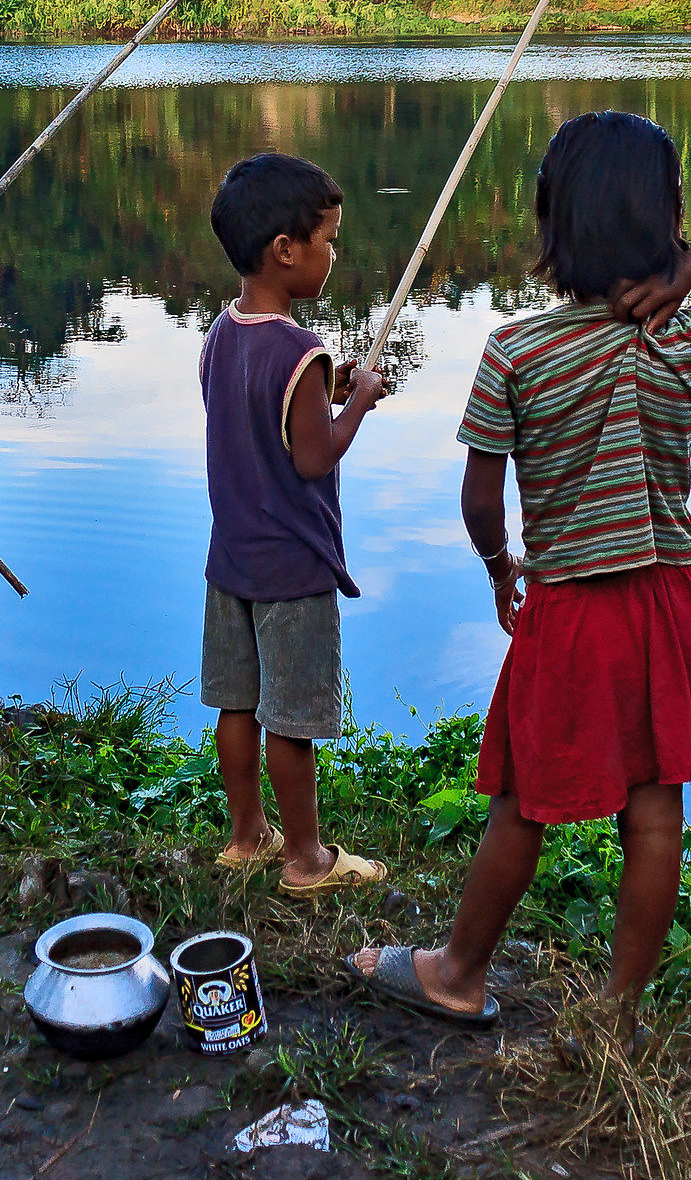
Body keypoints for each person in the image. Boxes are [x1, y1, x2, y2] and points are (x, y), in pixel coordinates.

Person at [349, 110, 691, 1031]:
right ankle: (618, 1016)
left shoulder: (516, 350)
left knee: (522, 803)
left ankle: (458, 973)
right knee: (655, 812)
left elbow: (480, 498)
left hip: (575, 604)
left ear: (552, 222)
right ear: (667, 217)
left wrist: (497, 561)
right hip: (674, 595)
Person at [200, 153, 391, 896]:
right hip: (293, 567)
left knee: (237, 704)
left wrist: (326, 391)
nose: (334, 255)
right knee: (292, 720)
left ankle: (247, 837)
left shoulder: (223, 331)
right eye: (329, 240)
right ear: (287, 248)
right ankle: (306, 858)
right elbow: (314, 456)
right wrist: (358, 402)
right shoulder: (300, 349)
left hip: (231, 562)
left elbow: (253, 416)